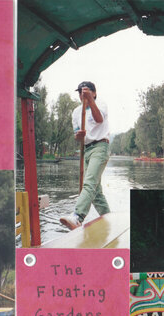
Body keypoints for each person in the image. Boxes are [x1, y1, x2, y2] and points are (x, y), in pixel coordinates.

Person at [60, 81, 110, 230]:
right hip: (86, 149)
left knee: (88, 183)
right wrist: (79, 136)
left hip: (100, 147)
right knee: (96, 193)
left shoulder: (100, 104)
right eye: (80, 92)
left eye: (86, 92)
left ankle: (77, 217)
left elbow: (99, 119)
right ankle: (109, 218)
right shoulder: (76, 112)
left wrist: (91, 100)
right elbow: (77, 136)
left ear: (94, 93)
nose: (82, 95)